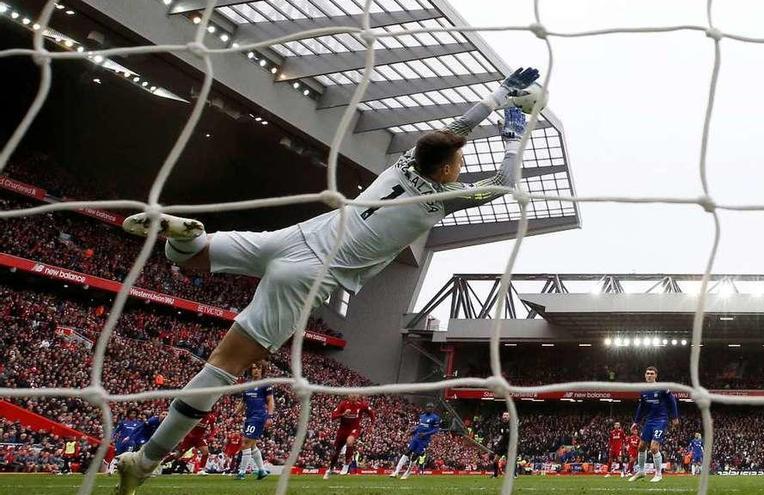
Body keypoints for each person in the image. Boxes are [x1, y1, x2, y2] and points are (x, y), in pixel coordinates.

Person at [115, 66, 540, 495]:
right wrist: (514, 134)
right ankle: (146, 461)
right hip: (309, 275)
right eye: (459, 163)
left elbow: (455, 130)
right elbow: (504, 183)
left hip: (292, 238)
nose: (461, 165)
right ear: (447, 171)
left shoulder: (405, 162)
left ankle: (187, 233)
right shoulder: (438, 200)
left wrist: (500, 95)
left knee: (192, 256)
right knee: (224, 365)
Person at [628, 366, 679, 483]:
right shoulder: (643, 390)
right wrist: (636, 421)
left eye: (652, 373)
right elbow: (642, 407)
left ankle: (658, 474)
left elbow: (672, 401)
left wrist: (674, 417)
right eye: (647, 373)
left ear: (656, 375)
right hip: (650, 420)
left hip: (661, 420)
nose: (649, 375)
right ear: (645, 375)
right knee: (641, 446)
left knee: (654, 447)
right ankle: (641, 471)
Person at [235, 364, 273, 480]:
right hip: (249, 417)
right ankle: (261, 471)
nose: (256, 370)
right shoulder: (248, 385)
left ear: (262, 370)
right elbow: (243, 401)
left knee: (245, 442)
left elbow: (270, 400)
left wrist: (270, 416)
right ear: (251, 371)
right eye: (254, 368)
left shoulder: (265, 384)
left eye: (259, 368)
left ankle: (241, 472)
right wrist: (234, 414)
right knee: (252, 446)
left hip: (259, 417)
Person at [324, 394, 375, 479]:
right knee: (336, 453)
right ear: (349, 396)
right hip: (342, 430)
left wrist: (372, 425)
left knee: (350, 441)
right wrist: (343, 414)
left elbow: (371, 413)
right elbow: (333, 417)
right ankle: (331, 468)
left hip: (354, 428)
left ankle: (346, 464)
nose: (354, 397)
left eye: (355, 396)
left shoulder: (361, 405)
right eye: (352, 396)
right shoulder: (343, 404)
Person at [390, 402, 441, 479]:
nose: (429, 409)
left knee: (414, 456)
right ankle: (396, 471)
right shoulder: (422, 416)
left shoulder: (435, 418)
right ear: (426, 408)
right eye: (428, 407)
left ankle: (408, 472)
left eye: (431, 407)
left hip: (424, 440)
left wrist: (426, 434)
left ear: (433, 409)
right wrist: (413, 432)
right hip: (416, 437)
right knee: (407, 452)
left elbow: (436, 430)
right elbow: (419, 426)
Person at [176, 411, 217, 476]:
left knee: (205, 451)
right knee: (178, 455)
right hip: (189, 438)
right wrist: (188, 434)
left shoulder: (211, 417)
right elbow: (186, 425)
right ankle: (164, 462)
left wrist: (211, 436)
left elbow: (213, 429)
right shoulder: (195, 414)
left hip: (198, 438)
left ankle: (201, 470)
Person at [491, 411, 514, 479]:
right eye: (504, 415)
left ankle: (512, 474)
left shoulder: (511, 425)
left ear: (509, 417)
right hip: (502, 445)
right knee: (495, 460)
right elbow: (501, 435)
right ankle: (495, 475)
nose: (505, 416)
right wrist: (497, 441)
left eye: (507, 415)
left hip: (509, 445)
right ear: (502, 416)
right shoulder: (501, 425)